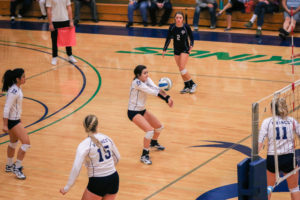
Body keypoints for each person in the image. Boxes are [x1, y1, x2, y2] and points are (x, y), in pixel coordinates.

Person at [60, 115, 120, 200]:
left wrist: (67, 187)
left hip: (98, 181)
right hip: (114, 178)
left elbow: (76, 168)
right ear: (97, 125)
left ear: (84, 126)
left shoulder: (84, 145)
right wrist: (107, 168)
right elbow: (117, 158)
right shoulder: (107, 138)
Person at [127, 65, 173, 165]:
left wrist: (168, 97)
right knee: (149, 131)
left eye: (147, 72)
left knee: (159, 127)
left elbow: (156, 89)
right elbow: (152, 92)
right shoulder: (137, 83)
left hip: (142, 110)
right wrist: (166, 99)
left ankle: (153, 143)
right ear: (138, 75)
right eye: (144, 73)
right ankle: (144, 155)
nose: (147, 75)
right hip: (133, 112)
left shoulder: (146, 79)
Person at [258, 98, 300, 200]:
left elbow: (259, 144)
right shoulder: (292, 121)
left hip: (273, 159)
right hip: (289, 158)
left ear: (272, 109)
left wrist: (253, 159)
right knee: (294, 189)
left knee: (267, 188)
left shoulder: (267, 122)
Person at [2, 68, 29, 180]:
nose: (25, 78)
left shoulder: (17, 88)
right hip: (13, 121)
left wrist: (19, 118)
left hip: (15, 120)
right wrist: (4, 125)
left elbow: (15, 107)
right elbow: (6, 108)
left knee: (13, 142)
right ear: (17, 79)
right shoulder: (14, 91)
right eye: (23, 77)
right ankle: (17, 168)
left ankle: (9, 165)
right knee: (26, 143)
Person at [162, 11, 197, 94]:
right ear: (175, 18)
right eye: (177, 17)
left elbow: (191, 37)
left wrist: (191, 45)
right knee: (181, 69)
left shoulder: (186, 27)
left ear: (182, 19)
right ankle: (187, 86)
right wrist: (164, 49)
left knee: (182, 67)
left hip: (185, 49)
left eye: (180, 18)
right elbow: (168, 38)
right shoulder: (172, 27)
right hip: (176, 49)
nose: (178, 19)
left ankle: (193, 84)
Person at [46, 0, 77, 65]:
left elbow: (69, 7)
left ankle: (70, 55)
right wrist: (50, 23)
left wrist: (71, 20)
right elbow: (48, 9)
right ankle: (54, 57)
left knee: (68, 40)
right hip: (55, 21)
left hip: (65, 20)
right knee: (54, 40)